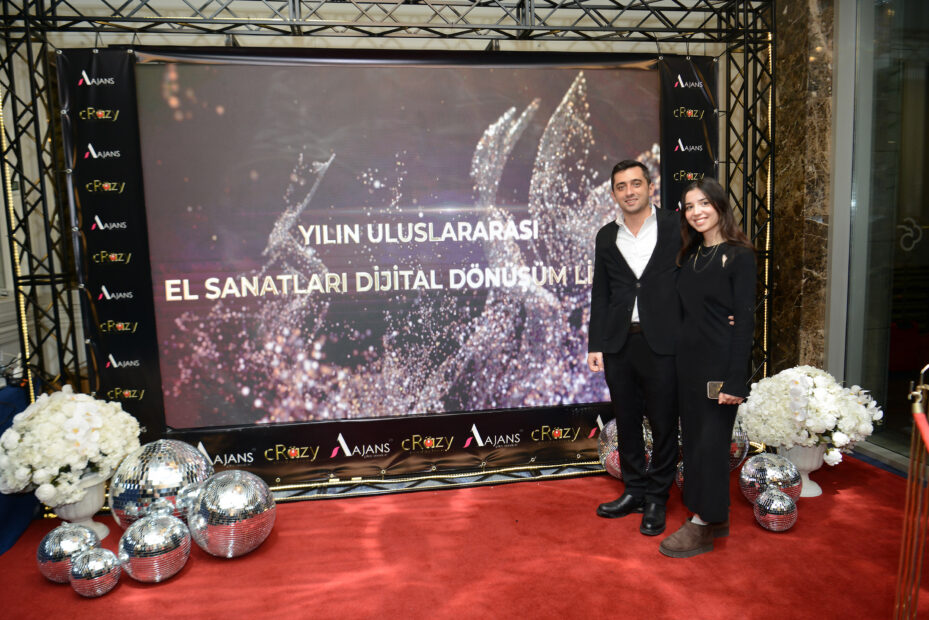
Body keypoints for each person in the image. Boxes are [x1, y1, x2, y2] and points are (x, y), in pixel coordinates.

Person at [659, 177, 755, 558]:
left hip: (719, 368)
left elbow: (744, 322)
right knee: (696, 445)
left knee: (711, 447)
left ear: (719, 205)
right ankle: (715, 517)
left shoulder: (740, 255)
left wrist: (736, 381)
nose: (696, 212)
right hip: (689, 366)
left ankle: (702, 524)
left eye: (704, 203)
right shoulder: (691, 256)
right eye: (689, 206)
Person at [588, 160, 681, 536]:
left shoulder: (676, 226)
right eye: (621, 186)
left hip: (664, 341)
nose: (629, 191)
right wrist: (595, 344)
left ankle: (657, 497)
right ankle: (634, 491)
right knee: (626, 421)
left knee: (663, 422)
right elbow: (601, 292)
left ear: (650, 187)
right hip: (619, 343)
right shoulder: (606, 236)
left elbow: (695, 278)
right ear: (614, 194)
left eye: (636, 183)